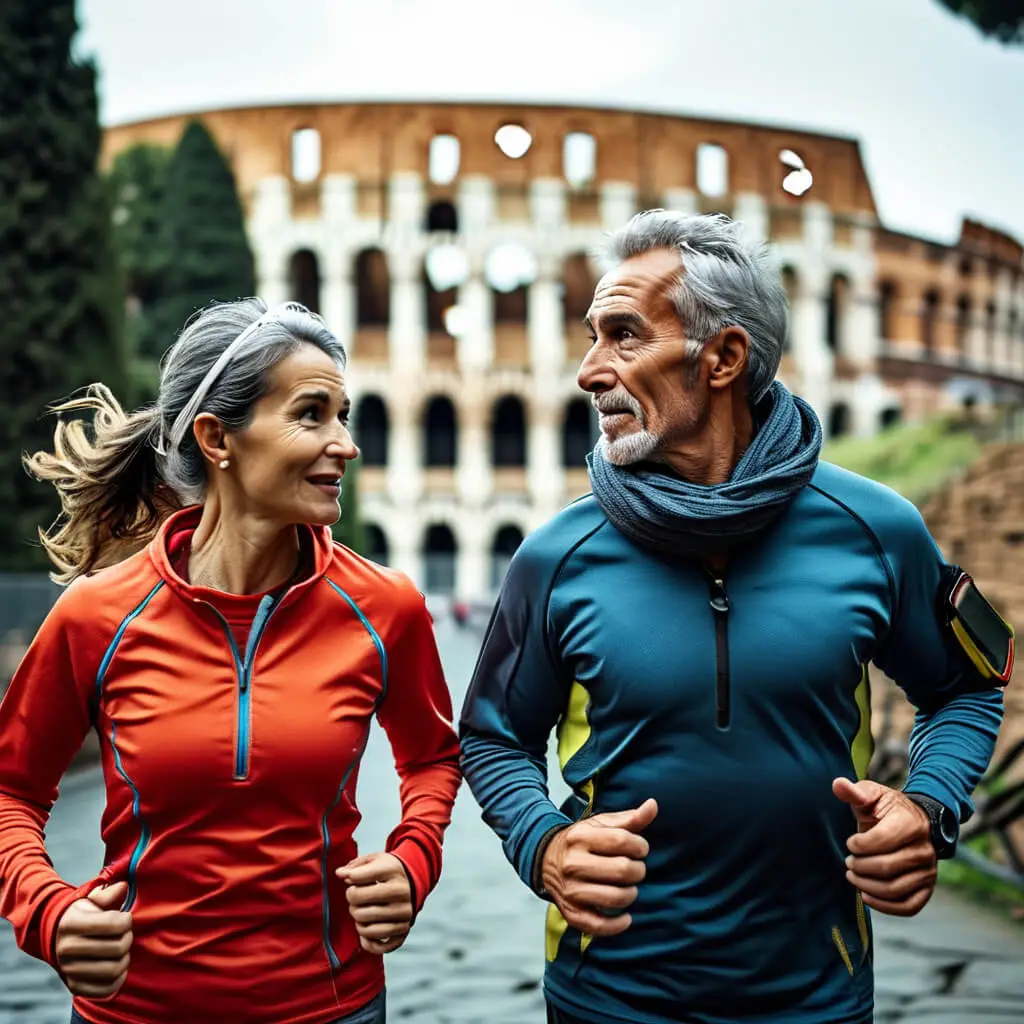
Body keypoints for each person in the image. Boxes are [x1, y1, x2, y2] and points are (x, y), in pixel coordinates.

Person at [460, 212, 1010, 1024]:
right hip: (608, 997)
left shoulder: (876, 530)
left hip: (816, 996)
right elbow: (492, 735)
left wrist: (927, 807)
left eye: (623, 336)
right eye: (592, 336)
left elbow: (968, 688)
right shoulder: (555, 556)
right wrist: (541, 843)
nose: (588, 371)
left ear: (723, 357)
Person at [0, 299, 461, 1024]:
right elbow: (10, 791)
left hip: (332, 1007)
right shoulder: (97, 616)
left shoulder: (386, 608)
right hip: (132, 1011)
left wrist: (413, 860)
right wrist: (48, 913)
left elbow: (433, 758)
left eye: (343, 415)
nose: (345, 444)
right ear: (218, 438)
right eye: (312, 415)